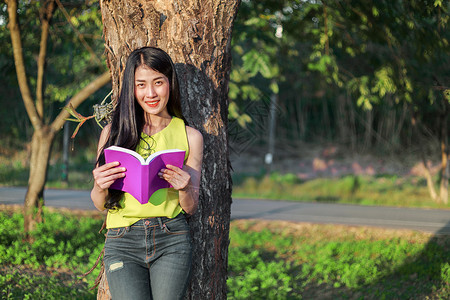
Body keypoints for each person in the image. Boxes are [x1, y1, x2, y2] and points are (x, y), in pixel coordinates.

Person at [90, 46, 203, 300]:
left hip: (171, 238)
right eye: (141, 84)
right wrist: (99, 186)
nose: (150, 93)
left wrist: (185, 187)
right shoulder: (112, 133)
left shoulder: (190, 136)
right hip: (122, 241)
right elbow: (100, 205)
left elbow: (191, 208)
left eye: (158, 82)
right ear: (132, 88)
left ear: (169, 84)